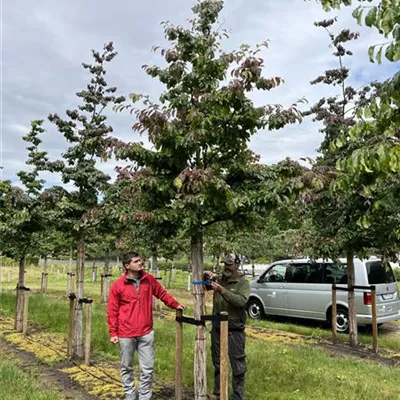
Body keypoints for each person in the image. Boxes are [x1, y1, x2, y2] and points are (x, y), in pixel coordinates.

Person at [107, 251, 185, 400]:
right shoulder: (118, 285)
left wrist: (175, 304)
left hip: (146, 332)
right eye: (136, 261)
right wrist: (113, 332)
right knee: (126, 368)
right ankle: (130, 396)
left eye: (141, 261)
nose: (140, 263)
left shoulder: (148, 280)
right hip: (125, 333)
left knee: (147, 369)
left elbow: (162, 293)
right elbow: (112, 310)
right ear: (127, 265)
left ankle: (144, 397)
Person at [204, 254, 250, 400]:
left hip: (234, 329)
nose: (227, 267)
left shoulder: (243, 283)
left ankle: (237, 396)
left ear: (237, 265)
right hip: (217, 327)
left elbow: (241, 301)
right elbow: (206, 285)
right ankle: (218, 393)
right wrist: (205, 275)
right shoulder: (220, 279)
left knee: (237, 366)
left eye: (230, 264)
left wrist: (222, 291)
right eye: (225, 264)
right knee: (218, 362)